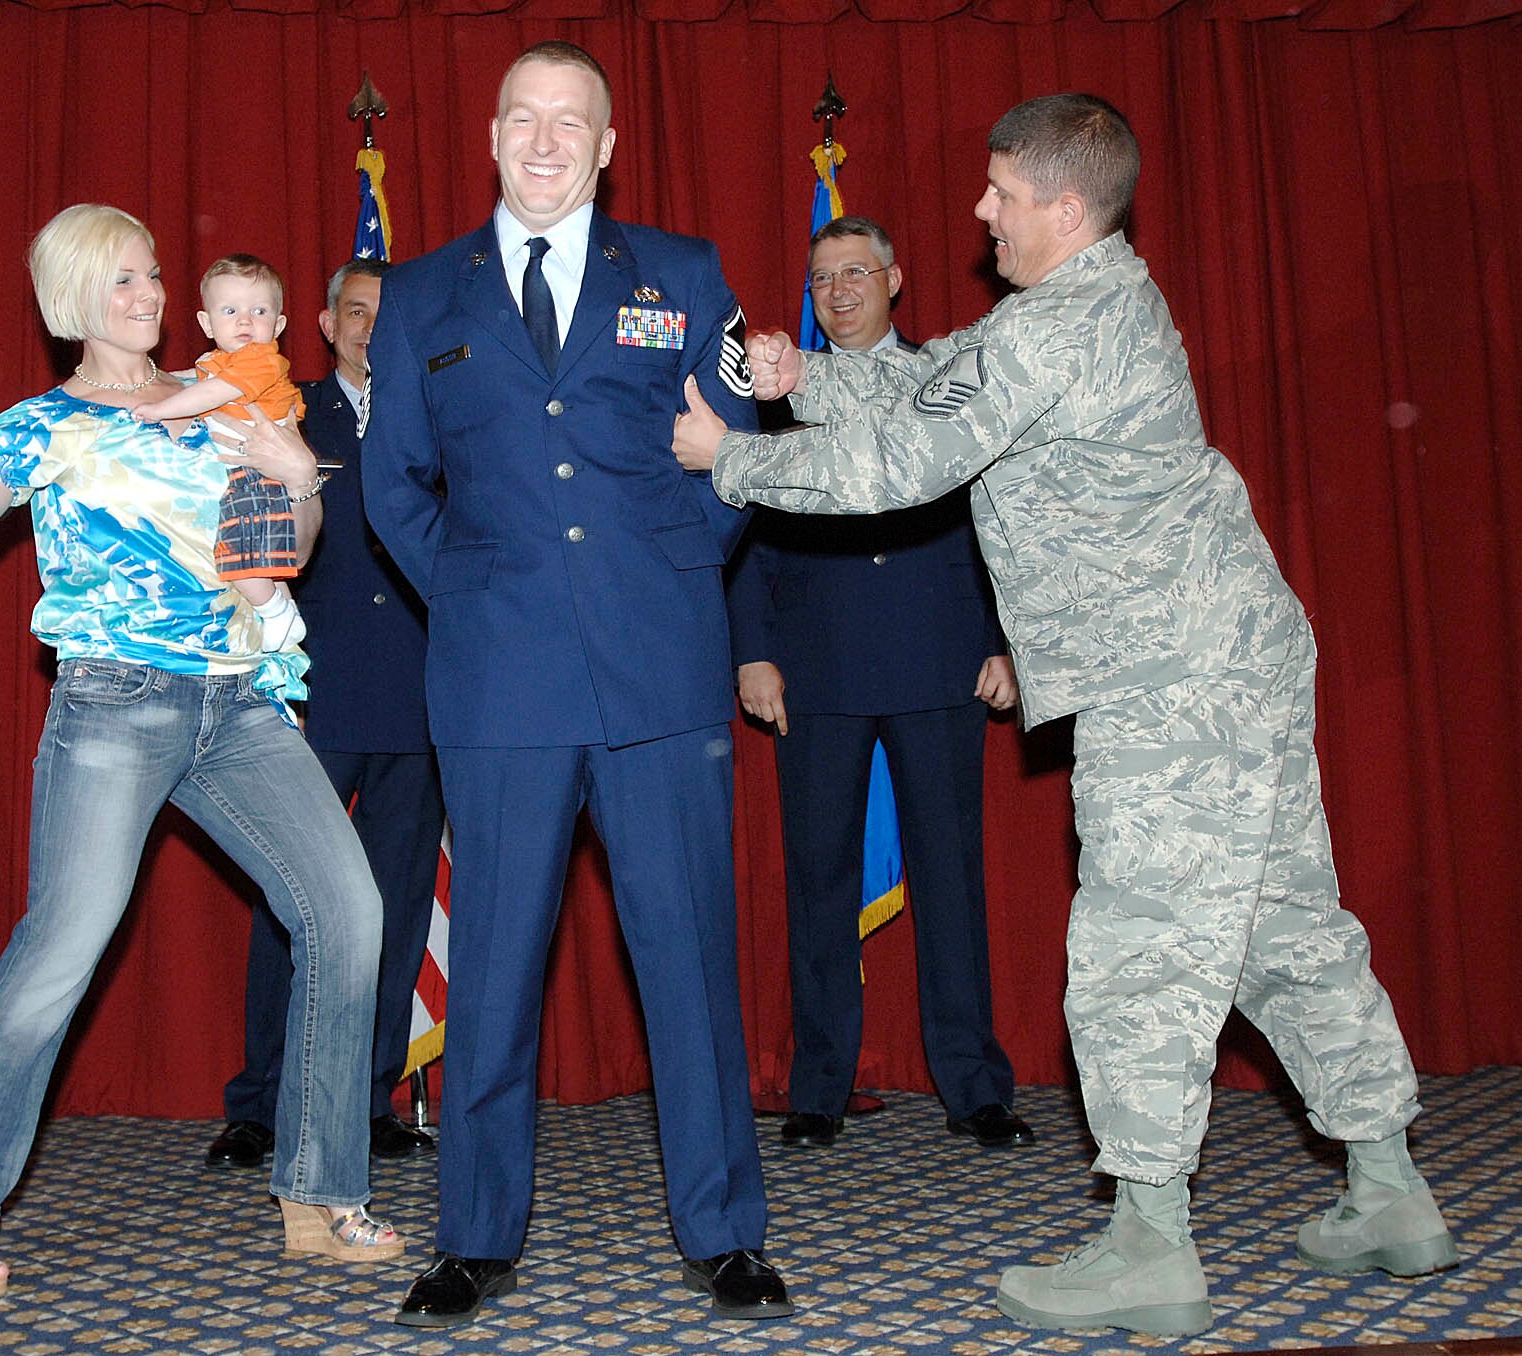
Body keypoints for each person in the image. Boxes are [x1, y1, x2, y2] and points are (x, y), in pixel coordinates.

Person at [674, 95, 1457, 1337]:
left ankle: (1149, 1244)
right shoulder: (1074, 309)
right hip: (1228, 656)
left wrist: (725, 454)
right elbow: (935, 379)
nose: (978, 211)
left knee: (1137, 948)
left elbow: (904, 466)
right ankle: (1389, 1190)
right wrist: (802, 378)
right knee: (1281, 929)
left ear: (1065, 206)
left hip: (1169, 681)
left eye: (998, 192)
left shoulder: (1059, 327)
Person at [361, 40, 791, 1329]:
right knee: (492, 965)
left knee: (688, 962)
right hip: (497, 684)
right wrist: (487, 594)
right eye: (523, 121)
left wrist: (661, 578)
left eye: (572, 124)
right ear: (491, 135)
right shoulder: (423, 296)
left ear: (607, 146)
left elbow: (736, 453)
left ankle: (721, 1229)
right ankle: (476, 1236)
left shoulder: (679, 272)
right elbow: (392, 489)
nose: (545, 143)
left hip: (658, 671)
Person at [0, 204, 404, 1303]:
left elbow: (287, 548)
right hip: (112, 705)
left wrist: (294, 471)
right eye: (123, 280)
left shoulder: (219, 388)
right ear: (75, 298)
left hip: (239, 700)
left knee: (347, 911)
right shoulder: (46, 423)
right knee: (60, 953)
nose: (149, 295)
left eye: (152, 275)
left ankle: (319, 1196)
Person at [726, 215, 1033, 1152]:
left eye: (857, 273)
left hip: (941, 652)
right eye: (822, 278)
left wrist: (1005, 639)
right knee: (818, 879)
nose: (840, 291)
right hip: (815, 662)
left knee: (952, 878)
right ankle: (819, 1086)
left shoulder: (947, 382)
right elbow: (745, 519)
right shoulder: (777, 392)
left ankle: (974, 1086)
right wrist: (751, 649)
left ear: (896, 280)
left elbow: (999, 514)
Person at [205, 257, 446, 1173]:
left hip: (421, 697)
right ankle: (260, 1106)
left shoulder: (439, 413)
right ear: (322, 319)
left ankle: (373, 1094)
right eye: (354, 312)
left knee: (392, 907)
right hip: (312, 689)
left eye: (387, 317)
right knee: (290, 899)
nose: (370, 330)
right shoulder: (281, 408)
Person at [134, 254, 308, 653]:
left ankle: (276, 612)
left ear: (278, 324)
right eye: (231, 311)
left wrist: (160, 409)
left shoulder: (260, 360)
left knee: (233, 552)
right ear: (207, 323)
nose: (245, 321)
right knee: (258, 554)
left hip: (257, 471)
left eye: (259, 311)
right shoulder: (214, 362)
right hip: (245, 468)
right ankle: (279, 609)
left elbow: (215, 394)